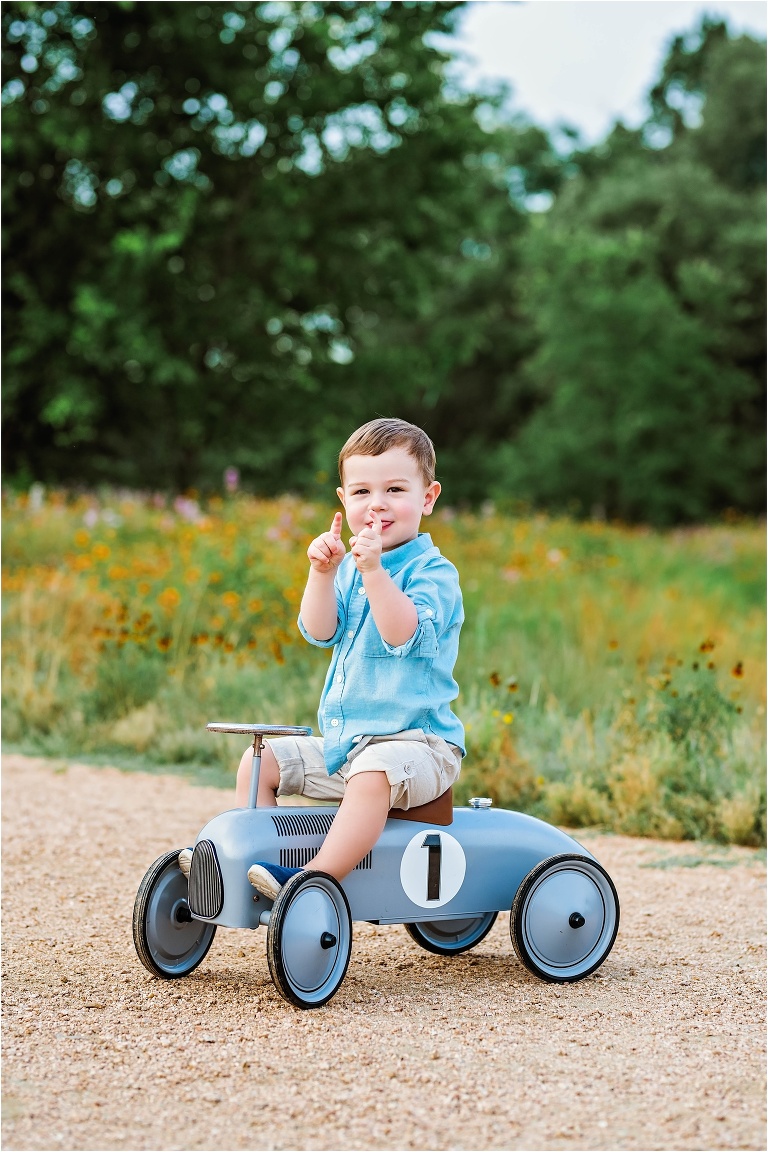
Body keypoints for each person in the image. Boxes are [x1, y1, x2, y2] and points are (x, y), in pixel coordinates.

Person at [181, 418, 464, 899]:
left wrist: (373, 571)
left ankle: (317, 880)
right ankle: (253, 863)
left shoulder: (433, 573)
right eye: (361, 492)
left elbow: (403, 634)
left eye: (395, 489)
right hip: (347, 746)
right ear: (344, 501)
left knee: (373, 771)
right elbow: (319, 631)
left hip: (421, 748)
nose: (377, 504)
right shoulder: (352, 567)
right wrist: (322, 574)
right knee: (260, 763)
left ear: (428, 498)